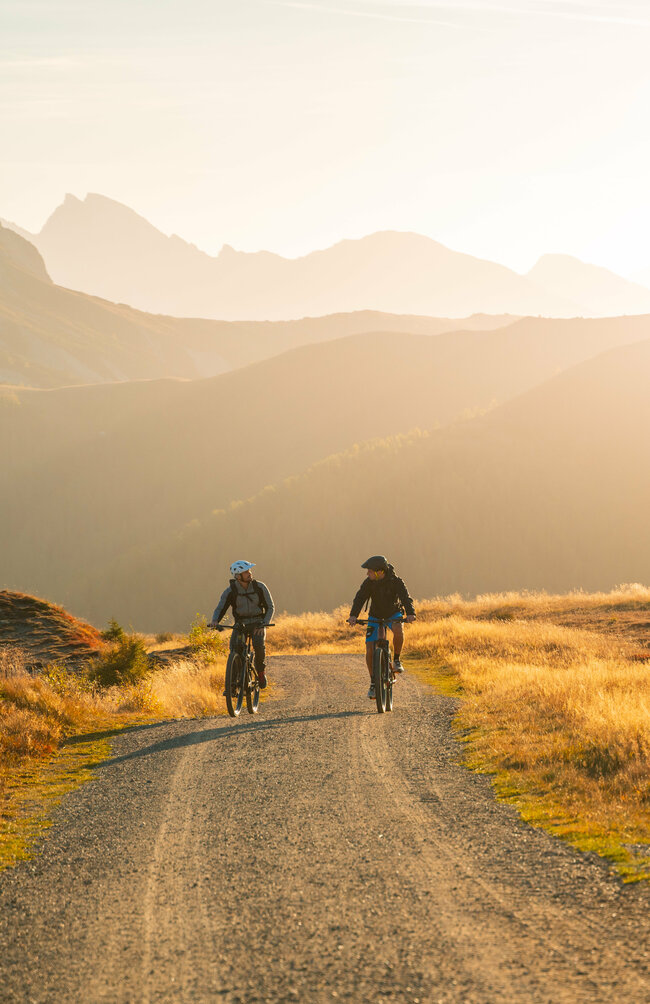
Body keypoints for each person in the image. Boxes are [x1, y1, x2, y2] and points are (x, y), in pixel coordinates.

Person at [347, 555, 416, 700]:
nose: (367, 574)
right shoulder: (369, 583)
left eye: (370, 571)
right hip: (375, 616)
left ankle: (396, 660)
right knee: (370, 648)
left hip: (393, 614)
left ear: (379, 572)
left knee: (398, 630)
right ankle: (373, 682)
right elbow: (360, 598)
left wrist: (410, 613)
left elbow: (405, 598)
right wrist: (353, 615)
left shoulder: (396, 582)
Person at [210, 560, 275, 689]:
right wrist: (215, 620)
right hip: (241, 624)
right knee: (234, 648)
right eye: (246, 572)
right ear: (238, 576)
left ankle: (261, 673)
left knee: (258, 646)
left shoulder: (259, 587)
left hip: (258, 624)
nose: (249, 573)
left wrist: (264, 624)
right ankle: (233, 682)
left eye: (249, 571)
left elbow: (270, 607)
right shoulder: (230, 591)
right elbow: (220, 608)